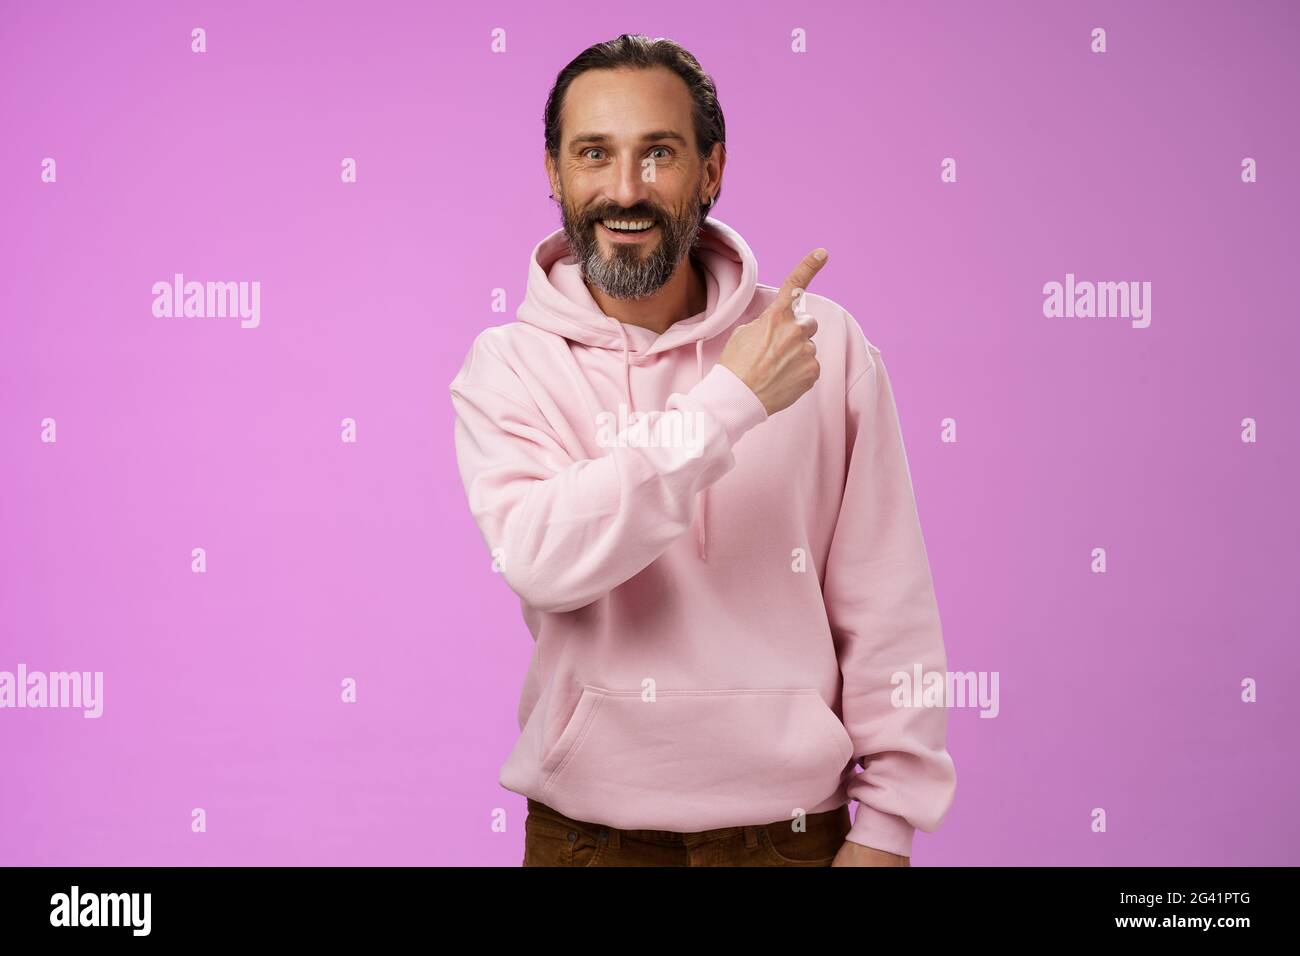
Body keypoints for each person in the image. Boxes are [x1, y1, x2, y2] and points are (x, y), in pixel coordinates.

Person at [449, 34, 956, 867]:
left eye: (659, 154)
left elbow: (888, 599)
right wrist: (730, 402)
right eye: (593, 154)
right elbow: (540, 559)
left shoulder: (817, 343)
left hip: (794, 841)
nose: (625, 189)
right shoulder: (507, 367)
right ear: (553, 172)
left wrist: (890, 827)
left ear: (711, 171)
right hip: (587, 843)